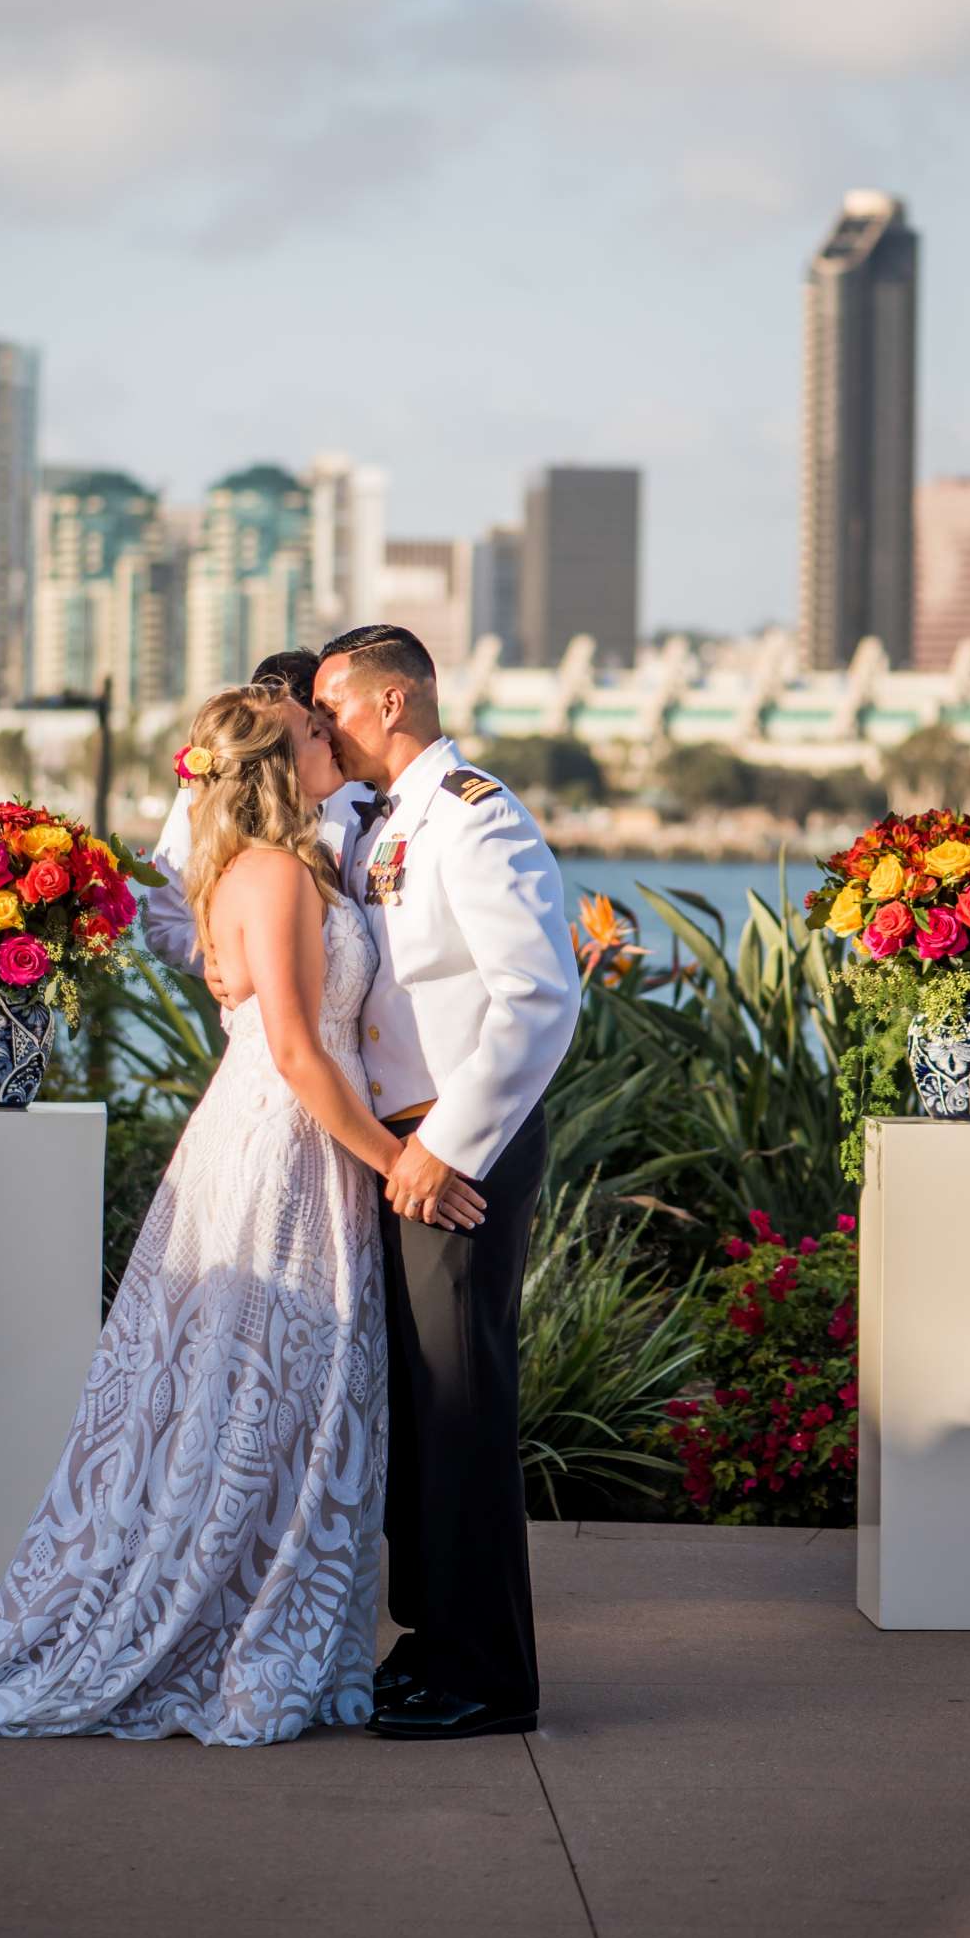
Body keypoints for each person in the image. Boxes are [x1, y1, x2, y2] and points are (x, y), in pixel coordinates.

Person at [0, 682, 484, 1747]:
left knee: (272, 1394)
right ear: (275, 766)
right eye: (314, 732)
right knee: (272, 1390)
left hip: (285, 1143)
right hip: (291, 1151)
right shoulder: (275, 878)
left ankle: (259, 1611)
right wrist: (406, 1162)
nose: (331, 739)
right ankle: (242, 1630)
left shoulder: (260, 872)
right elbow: (302, 1052)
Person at [313, 623, 582, 1742]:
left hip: (458, 1149)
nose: (321, 727)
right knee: (426, 1409)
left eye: (331, 706)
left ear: (391, 703)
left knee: (463, 1402)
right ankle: (431, 1642)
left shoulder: (474, 813)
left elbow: (540, 992)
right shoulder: (380, 821)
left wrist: (447, 1146)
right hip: (405, 1144)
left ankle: (489, 1676)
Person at [141, 648, 371, 970]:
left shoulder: (369, 787)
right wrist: (226, 965)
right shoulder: (208, 801)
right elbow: (166, 922)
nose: (331, 738)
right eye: (314, 730)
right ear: (277, 757)